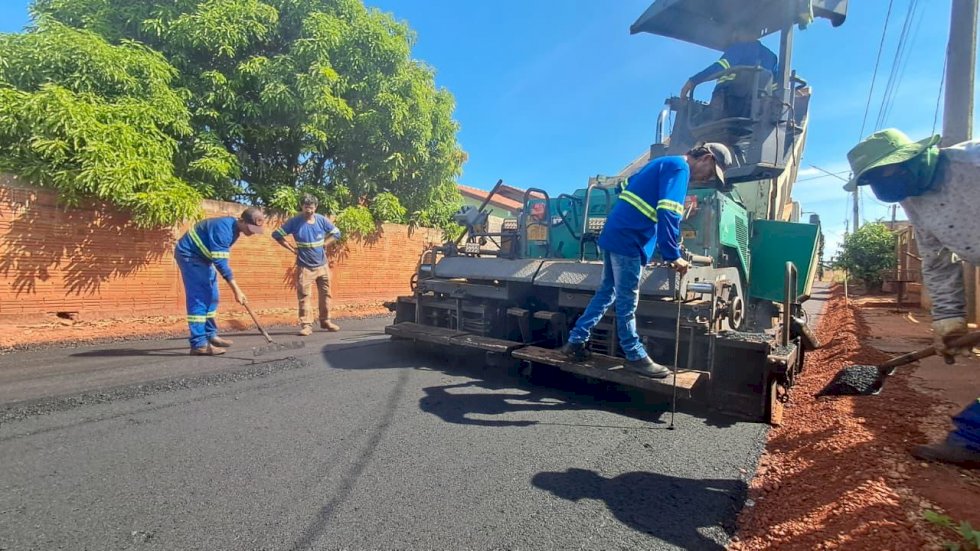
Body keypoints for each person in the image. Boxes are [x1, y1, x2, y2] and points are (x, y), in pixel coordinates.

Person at [845, 128, 980, 468]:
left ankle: (970, 440)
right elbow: (936, 261)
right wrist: (949, 320)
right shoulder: (914, 199)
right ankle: (971, 440)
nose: (878, 187)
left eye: (880, 175)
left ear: (907, 162)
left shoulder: (972, 162)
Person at [561, 143, 733, 377]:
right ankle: (634, 355)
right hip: (631, 239)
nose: (707, 178)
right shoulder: (680, 169)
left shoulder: (660, 162)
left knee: (607, 293)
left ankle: (576, 341)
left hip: (616, 233)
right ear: (707, 158)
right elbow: (669, 211)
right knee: (627, 301)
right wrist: (674, 255)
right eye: (711, 171)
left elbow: (625, 185)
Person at [174, 207, 265, 356]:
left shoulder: (236, 231)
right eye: (251, 228)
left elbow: (218, 258)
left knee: (213, 296)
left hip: (204, 259)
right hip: (189, 256)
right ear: (241, 221)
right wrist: (237, 290)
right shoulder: (223, 229)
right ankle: (199, 344)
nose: (253, 232)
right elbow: (221, 263)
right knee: (199, 298)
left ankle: (210, 335)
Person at [272, 194, 342, 336]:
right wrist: (292, 249)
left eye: (311, 208)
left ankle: (325, 321)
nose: (308, 211)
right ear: (301, 207)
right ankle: (306, 325)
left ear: (315, 207)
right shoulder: (295, 222)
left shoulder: (322, 220)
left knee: (326, 294)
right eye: (306, 207)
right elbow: (277, 235)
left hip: (322, 266)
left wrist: (324, 244)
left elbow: (336, 233)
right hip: (305, 267)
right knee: (304, 296)